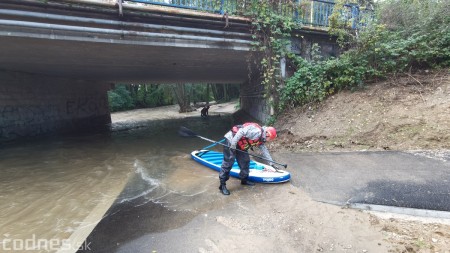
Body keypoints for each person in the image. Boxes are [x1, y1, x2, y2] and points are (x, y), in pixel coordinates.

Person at [219, 122, 277, 195]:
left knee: (245, 161)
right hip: (231, 140)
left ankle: (244, 180)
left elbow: (264, 150)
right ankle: (222, 185)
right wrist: (233, 144)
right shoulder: (257, 132)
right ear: (268, 134)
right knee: (228, 162)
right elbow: (241, 131)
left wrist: (271, 163)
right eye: (271, 139)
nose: (270, 141)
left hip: (240, 144)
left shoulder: (262, 138)